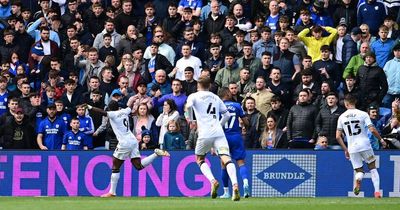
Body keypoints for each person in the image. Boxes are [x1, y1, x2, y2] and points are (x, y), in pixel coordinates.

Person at [85, 100, 170, 197]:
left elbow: (102, 112)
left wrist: (90, 107)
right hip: (132, 140)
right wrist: (135, 100)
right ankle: (156, 154)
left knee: (115, 166)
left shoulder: (113, 114)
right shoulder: (125, 111)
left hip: (124, 142)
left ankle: (112, 192)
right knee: (138, 166)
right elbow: (130, 107)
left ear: (110, 108)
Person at [185, 76, 240, 201]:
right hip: (218, 132)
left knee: (199, 159)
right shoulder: (215, 97)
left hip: (204, 133)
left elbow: (188, 106)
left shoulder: (193, 96)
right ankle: (235, 185)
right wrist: (218, 126)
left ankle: (213, 181)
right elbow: (226, 115)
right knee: (226, 158)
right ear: (209, 85)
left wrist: (191, 119)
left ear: (198, 85)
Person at [336, 94, 387, 198]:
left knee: (359, 170)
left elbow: (337, 136)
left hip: (352, 147)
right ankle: (377, 192)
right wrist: (381, 139)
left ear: (346, 104)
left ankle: (358, 179)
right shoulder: (363, 114)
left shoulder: (341, 117)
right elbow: (372, 129)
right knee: (372, 168)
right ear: (355, 102)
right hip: (365, 145)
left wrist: (345, 149)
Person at [218, 87, 250, 199]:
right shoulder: (236, 105)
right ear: (227, 94)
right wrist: (245, 125)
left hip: (222, 138)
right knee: (241, 163)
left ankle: (226, 192)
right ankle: (245, 183)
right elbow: (246, 122)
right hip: (236, 136)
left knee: (224, 164)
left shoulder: (217, 106)